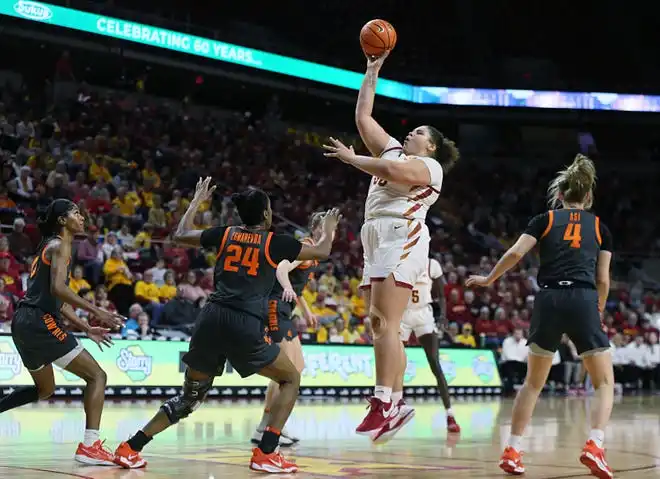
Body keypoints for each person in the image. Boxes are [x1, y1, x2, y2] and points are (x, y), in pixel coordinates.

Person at [113, 178, 340, 474]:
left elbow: (180, 235)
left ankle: (131, 447)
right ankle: (266, 452)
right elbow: (322, 253)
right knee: (291, 379)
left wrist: (195, 202)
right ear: (267, 215)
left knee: (190, 397)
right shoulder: (275, 242)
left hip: (210, 317)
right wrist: (330, 228)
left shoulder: (227, 233)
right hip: (243, 322)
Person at [322, 50, 459, 442]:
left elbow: (393, 171)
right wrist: (371, 70)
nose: (410, 133)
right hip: (376, 234)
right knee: (381, 324)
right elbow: (363, 118)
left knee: (389, 323)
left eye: (419, 132)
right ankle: (393, 403)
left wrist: (352, 159)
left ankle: (385, 401)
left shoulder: (429, 168)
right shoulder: (394, 149)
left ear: (431, 146)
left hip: (403, 234)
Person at [465, 154, 614, 478]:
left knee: (532, 384)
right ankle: (594, 444)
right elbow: (603, 279)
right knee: (604, 382)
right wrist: (597, 311)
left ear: (560, 196)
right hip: (583, 298)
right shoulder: (600, 227)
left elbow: (516, 253)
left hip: (548, 299)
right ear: (588, 197)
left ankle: (513, 449)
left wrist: (489, 278)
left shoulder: (544, 220)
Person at [1, 199, 123, 465]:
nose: (82, 218)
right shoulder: (61, 245)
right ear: (62, 220)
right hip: (39, 320)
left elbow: (60, 299)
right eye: (76, 213)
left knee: (45, 389)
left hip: (22, 322)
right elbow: (59, 289)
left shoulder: (48, 246)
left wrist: (87, 326)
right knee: (97, 376)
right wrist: (98, 311)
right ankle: (90, 446)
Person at [252, 211, 325, 447]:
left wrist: (306, 311)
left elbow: (298, 288)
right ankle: (272, 427)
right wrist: (286, 287)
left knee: (294, 368)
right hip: (275, 307)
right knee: (287, 370)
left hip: (284, 310)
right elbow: (281, 268)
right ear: (317, 229)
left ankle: (265, 425)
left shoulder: (313, 254)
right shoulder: (305, 246)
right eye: (329, 229)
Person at [396, 256, 460, 436]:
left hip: (424, 313)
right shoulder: (401, 261)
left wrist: (442, 316)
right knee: (397, 362)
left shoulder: (432, 264)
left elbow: (441, 295)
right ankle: (394, 408)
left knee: (434, 363)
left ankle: (450, 414)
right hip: (404, 314)